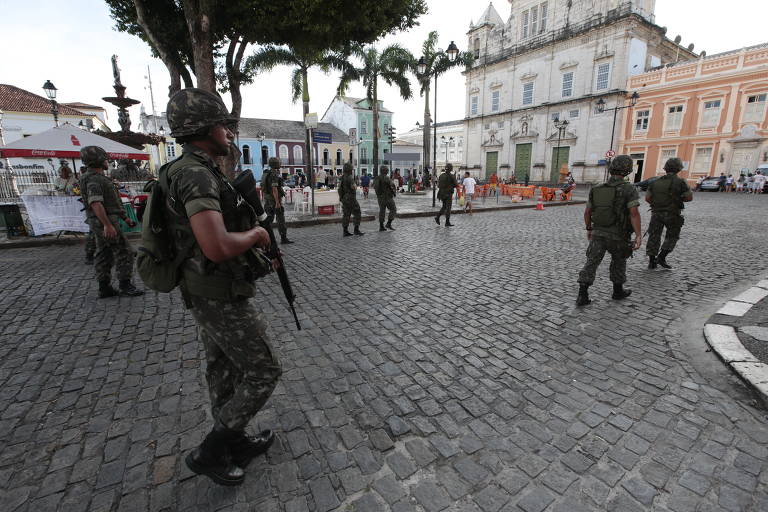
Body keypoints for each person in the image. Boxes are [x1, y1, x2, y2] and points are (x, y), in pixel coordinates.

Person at [159, 88, 281, 486]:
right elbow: (216, 245)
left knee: (223, 368)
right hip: (218, 291)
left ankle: (234, 441)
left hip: (205, 288)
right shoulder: (194, 174)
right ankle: (213, 449)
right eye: (221, 124)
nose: (228, 131)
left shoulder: (191, 168)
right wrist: (258, 235)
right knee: (264, 370)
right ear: (201, 127)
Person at [78, 146, 144, 298]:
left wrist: (125, 218)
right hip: (104, 222)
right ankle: (125, 285)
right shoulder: (94, 179)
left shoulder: (93, 177)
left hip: (104, 220)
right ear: (99, 160)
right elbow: (96, 203)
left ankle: (104, 287)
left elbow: (110, 203)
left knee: (104, 253)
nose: (108, 161)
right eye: (105, 159)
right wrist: (107, 225)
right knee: (124, 251)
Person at [576, 155, 642, 306]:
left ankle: (582, 295)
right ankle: (617, 291)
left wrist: (589, 228)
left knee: (591, 263)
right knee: (619, 261)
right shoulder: (629, 189)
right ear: (628, 170)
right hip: (619, 235)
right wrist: (638, 235)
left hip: (598, 233)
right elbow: (634, 213)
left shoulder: (597, 188)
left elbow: (587, 212)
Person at [645, 158, 693, 270]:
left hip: (656, 213)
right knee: (672, 236)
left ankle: (652, 262)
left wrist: (657, 204)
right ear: (679, 169)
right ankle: (661, 257)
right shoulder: (681, 182)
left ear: (665, 168)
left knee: (654, 236)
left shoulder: (655, 182)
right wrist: (677, 200)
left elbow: (647, 198)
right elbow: (689, 197)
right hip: (672, 213)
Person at [261, 157, 293, 245]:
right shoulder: (274, 174)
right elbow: (274, 188)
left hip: (267, 200)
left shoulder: (266, 173)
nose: (280, 163)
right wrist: (277, 203)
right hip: (274, 200)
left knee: (268, 220)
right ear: (276, 164)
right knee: (280, 219)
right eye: (279, 162)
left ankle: (265, 239)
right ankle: (283, 238)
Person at [338, 162, 365, 237]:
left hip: (344, 198)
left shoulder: (342, 177)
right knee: (357, 212)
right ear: (350, 169)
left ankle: (345, 231)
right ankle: (356, 230)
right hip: (351, 198)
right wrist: (356, 185)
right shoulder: (350, 177)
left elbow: (339, 189)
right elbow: (354, 187)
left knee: (346, 214)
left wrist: (341, 197)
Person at [372, 166, 397, 231]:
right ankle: (388, 223)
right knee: (393, 209)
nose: (388, 171)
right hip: (388, 197)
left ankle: (381, 226)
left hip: (380, 198)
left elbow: (374, 187)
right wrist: (394, 192)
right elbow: (392, 185)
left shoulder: (377, 178)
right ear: (385, 171)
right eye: (387, 170)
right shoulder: (387, 178)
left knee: (382, 211)